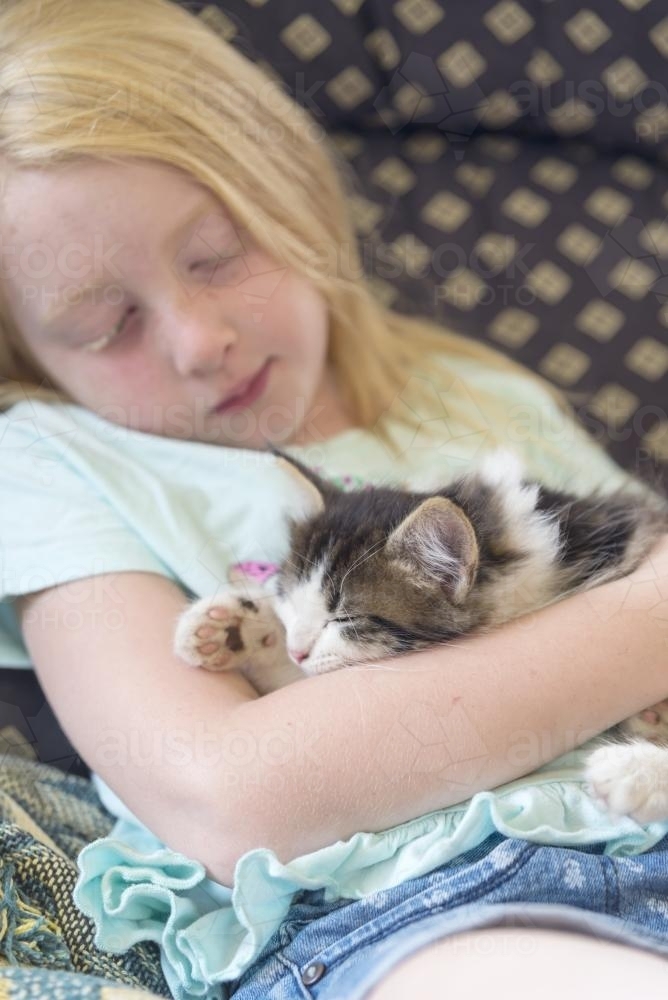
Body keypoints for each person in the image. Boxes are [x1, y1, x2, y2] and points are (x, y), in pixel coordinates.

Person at [0, 1, 667, 997]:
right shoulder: (47, 462)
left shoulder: (473, 393)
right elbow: (234, 795)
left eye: (218, 254)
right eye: (104, 326)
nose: (197, 339)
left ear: (298, 198)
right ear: (27, 351)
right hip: (414, 906)